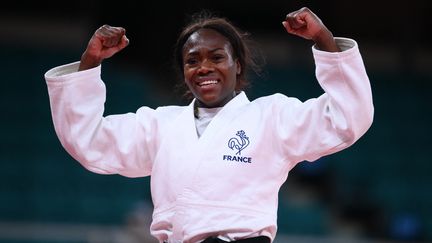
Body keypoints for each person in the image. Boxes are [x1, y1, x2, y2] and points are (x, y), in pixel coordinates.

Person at [44, 7, 374, 243]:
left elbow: (349, 118)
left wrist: (324, 40)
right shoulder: (161, 125)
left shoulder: (272, 116)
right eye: (192, 60)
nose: (203, 67)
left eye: (216, 57)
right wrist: (90, 62)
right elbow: (86, 141)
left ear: (237, 64)